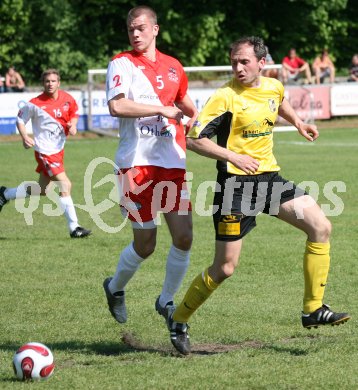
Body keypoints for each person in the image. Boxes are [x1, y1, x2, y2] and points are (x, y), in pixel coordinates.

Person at [164, 36, 350, 355]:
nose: (238, 67)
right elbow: (194, 140)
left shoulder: (273, 87)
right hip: (234, 187)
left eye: (244, 61)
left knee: (321, 227)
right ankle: (179, 319)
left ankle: (312, 309)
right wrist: (233, 157)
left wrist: (299, 122)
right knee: (224, 268)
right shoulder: (224, 96)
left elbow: (280, 102)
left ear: (262, 63)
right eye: (234, 61)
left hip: (269, 180)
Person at [102, 6, 198, 326]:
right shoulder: (122, 63)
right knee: (146, 245)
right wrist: (162, 109)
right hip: (135, 165)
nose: (135, 34)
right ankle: (115, 288)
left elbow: (186, 104)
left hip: (170, 161)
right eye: (131, 29)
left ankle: (167, 302)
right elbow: (117, 106)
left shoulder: (174, 67)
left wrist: (194, 119)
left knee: (184, 237)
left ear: (155, 29)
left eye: (141, 28)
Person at [0, 69, 91, 239]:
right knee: (65, 184)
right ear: (43, 83)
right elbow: (20, 119)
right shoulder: (34, 103)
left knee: (42, 190)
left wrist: (73, 124)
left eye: (53, 81)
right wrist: (25, 136)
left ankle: (5, 194)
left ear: (59, 83)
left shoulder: (67, 99)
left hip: (58, 150)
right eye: (47, 81)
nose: (50, 84)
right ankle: (74, 228)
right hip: (44, 151)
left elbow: (74, 114)